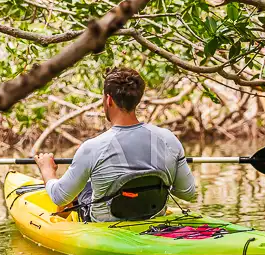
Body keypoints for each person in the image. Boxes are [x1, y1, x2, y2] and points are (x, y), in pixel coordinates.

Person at [35, 67, 196, 222]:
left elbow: (59, 196)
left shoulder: (92, 148)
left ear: (108, 99)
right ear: (137, 99)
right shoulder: (169, 139)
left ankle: (57, 223)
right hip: (153, 217)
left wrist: (47, 170)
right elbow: (187, 193)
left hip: (104, 225)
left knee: (80, 188)